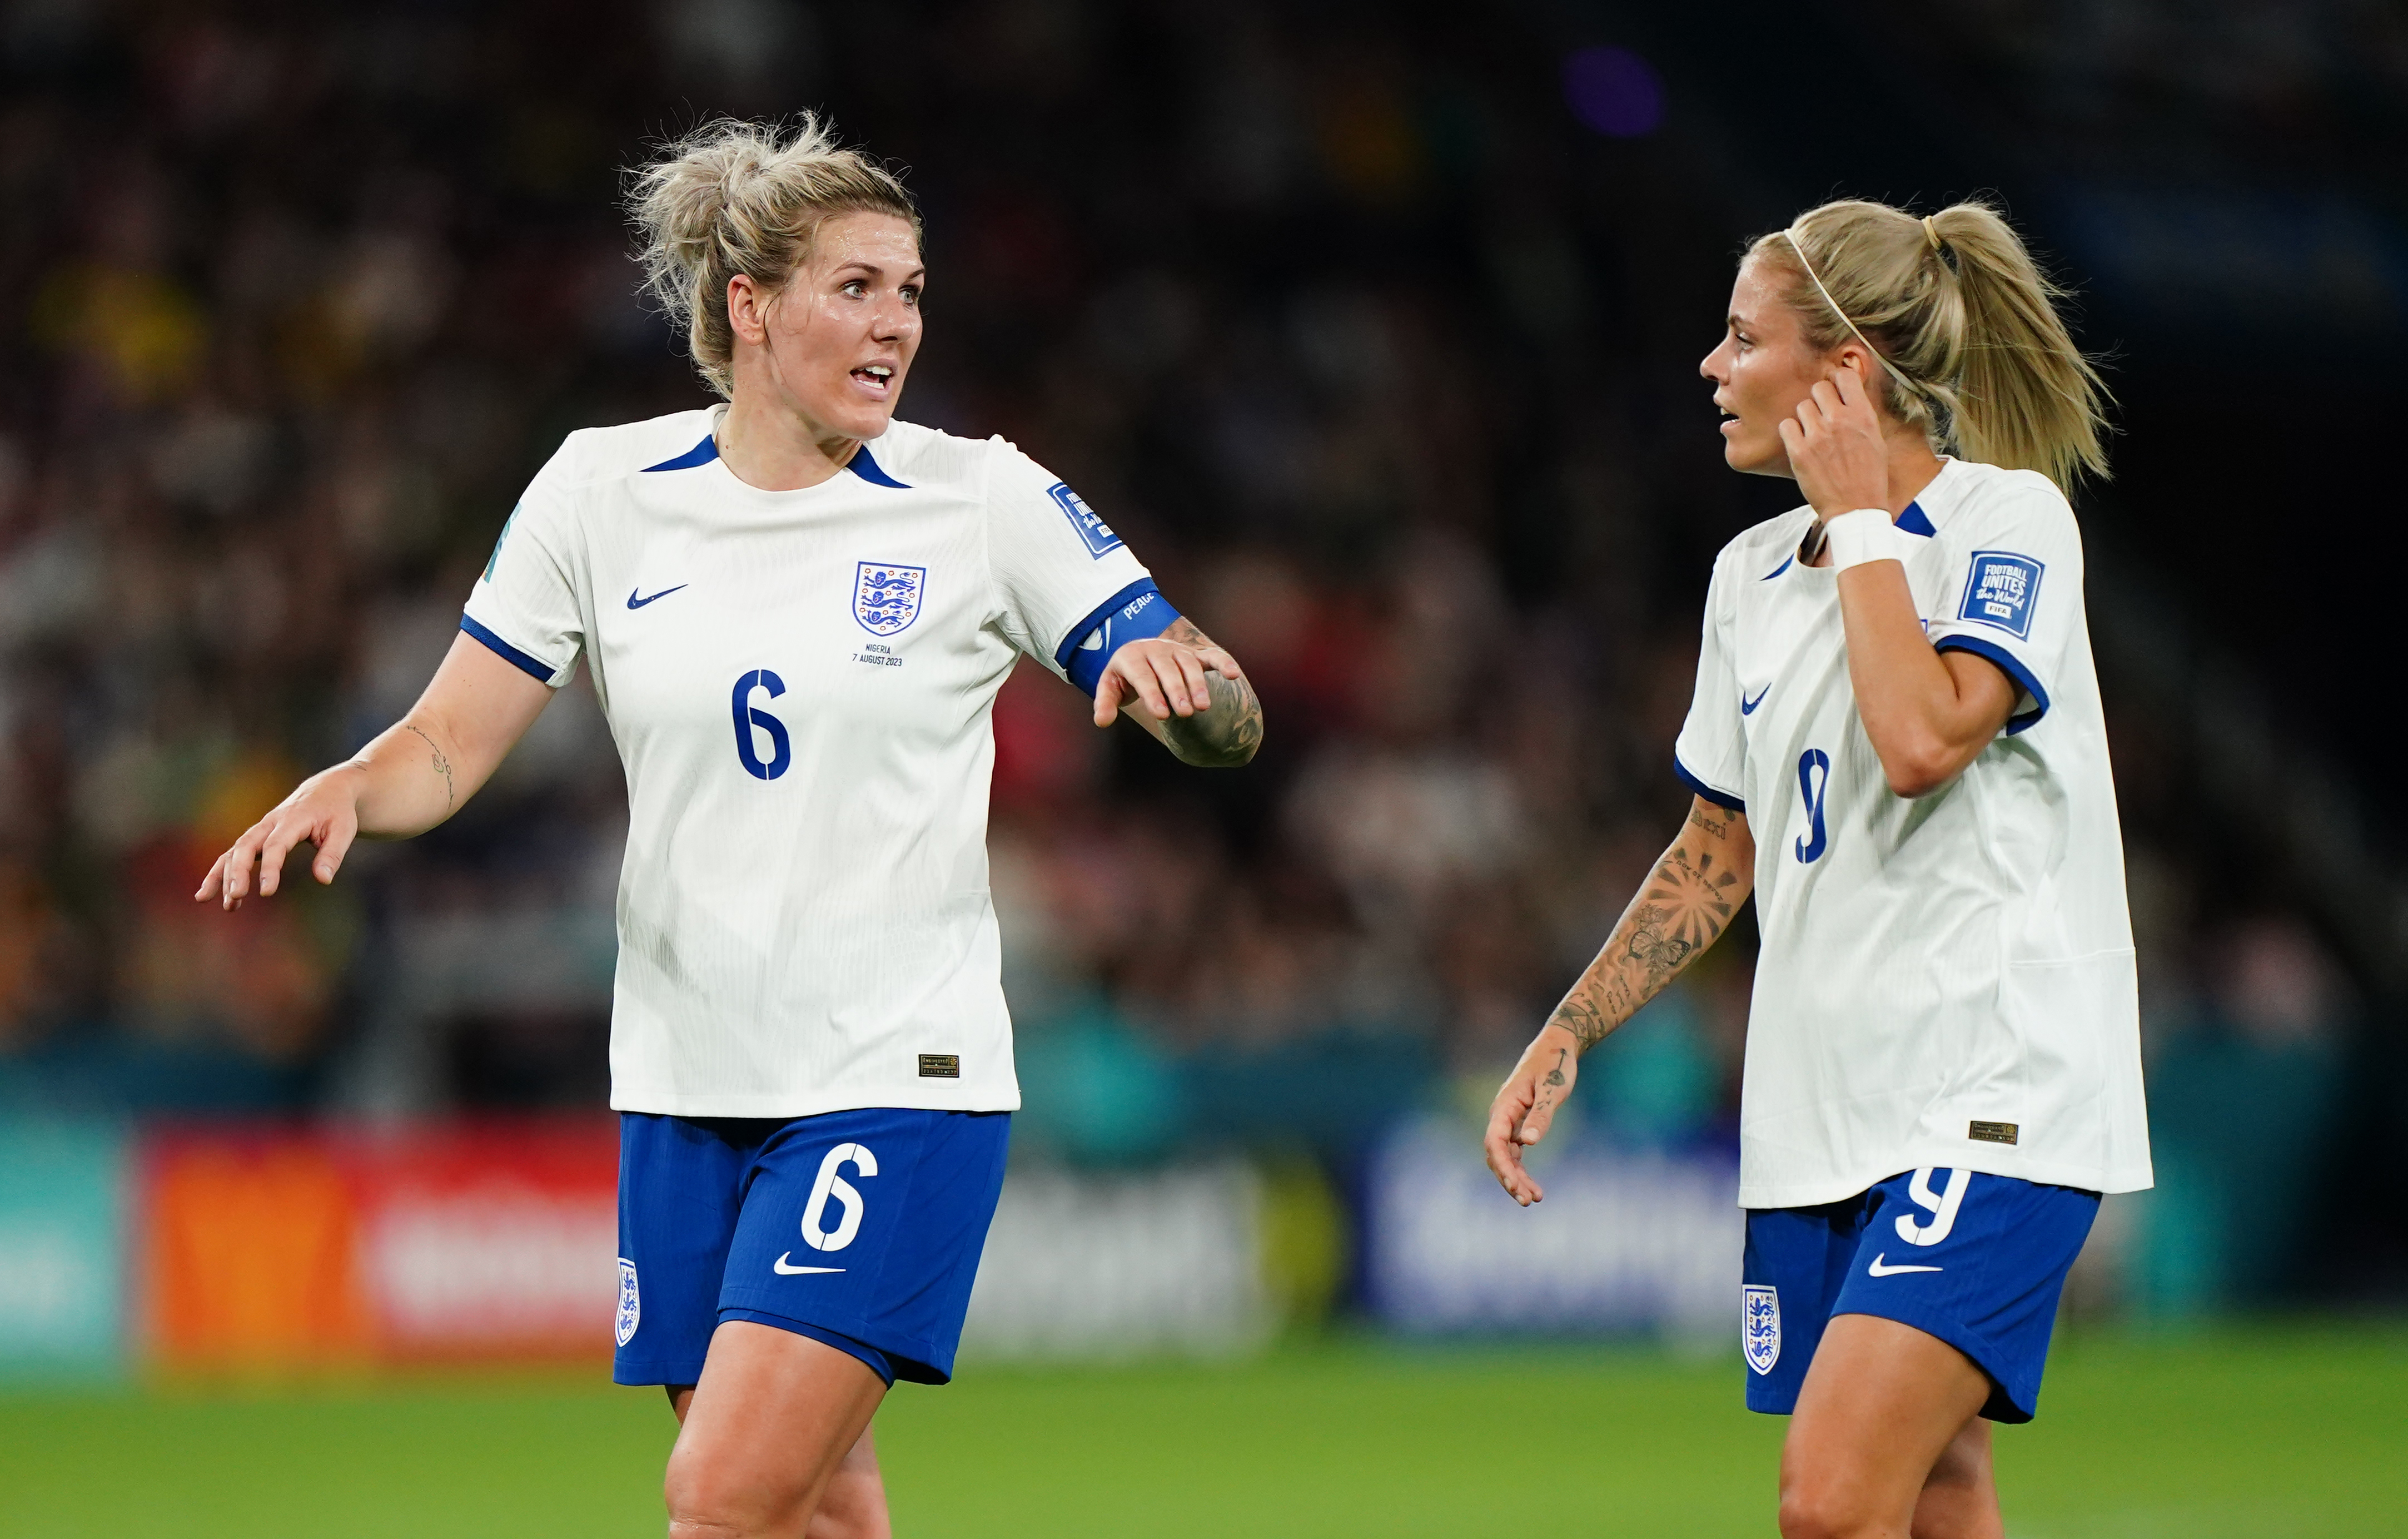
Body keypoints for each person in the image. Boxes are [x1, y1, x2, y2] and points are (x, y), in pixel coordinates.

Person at [196, 116, 1262, 1539]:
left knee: (720, 1501)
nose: (899, 325)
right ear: (749, 307)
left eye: (915, 290)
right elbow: (447, 744)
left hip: (897, 1073)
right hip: (685, 1081)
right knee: (816, 1510)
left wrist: (1187, 702)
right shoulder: (602, 490)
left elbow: (1228, 701)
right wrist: (350, 780)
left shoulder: (981, 497)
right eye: (860, 287)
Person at [1484, 198, 2150, 1539]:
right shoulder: (1748, 578)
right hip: (1823, 1112)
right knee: (1937, 1485)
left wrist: (1859, 522)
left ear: (1844, 372)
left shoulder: (2005, 523)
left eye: (1742, 338)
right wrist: (1573, 1024)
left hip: (1991, 1093)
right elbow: (1715, 850)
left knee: (1830, 1503)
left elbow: (1918, 738)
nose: (1711, 368)